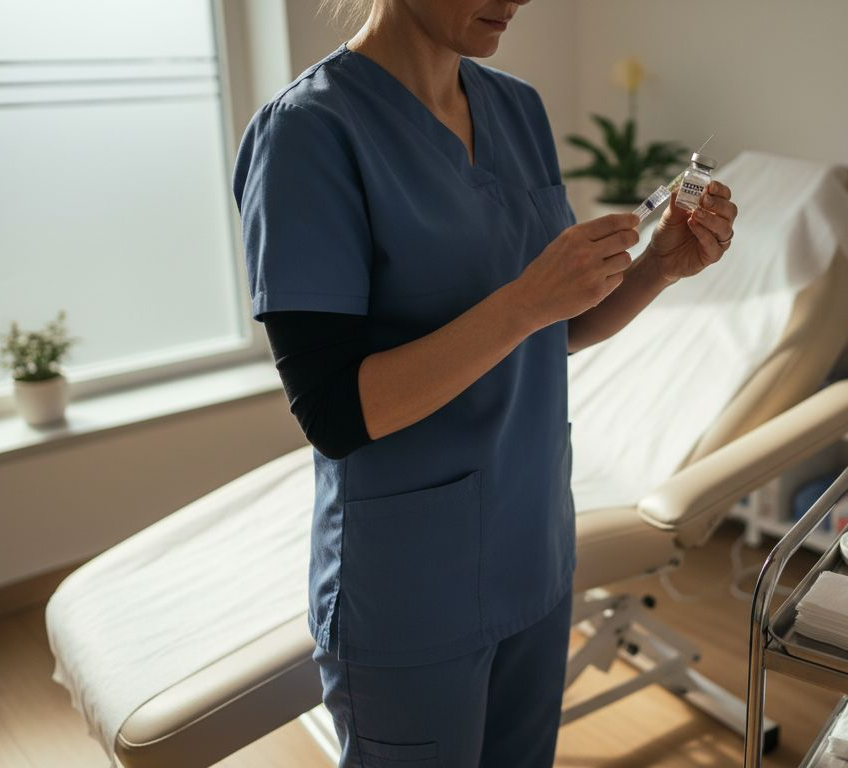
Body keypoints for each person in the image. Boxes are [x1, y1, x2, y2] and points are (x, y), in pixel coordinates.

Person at [231, 1, 738, 765]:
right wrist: (525, 298)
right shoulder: (310, 133)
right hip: (410, 589)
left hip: (533, 550)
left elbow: (549, 333)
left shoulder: (517, 108)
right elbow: (333, 410)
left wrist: (659, 268)